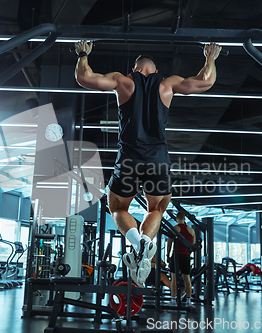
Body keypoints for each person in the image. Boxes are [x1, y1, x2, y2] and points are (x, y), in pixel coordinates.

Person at [74, 40, 221, 287]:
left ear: (134, 70)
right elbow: (206, 81)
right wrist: (210, 56)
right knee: (157, 209)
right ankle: (145, 242)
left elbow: (84, 78)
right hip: (158, 159)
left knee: (118, 208)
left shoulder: (123, 81)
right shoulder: (167, 84)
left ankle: (139, 242)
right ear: (155, 71)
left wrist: (82, 53)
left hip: (129, 157)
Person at [166, 211, 196, 305]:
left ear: (176, 218)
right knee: (187, 278)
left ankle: (173, 300)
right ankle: (188, 300)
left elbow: (169, 243)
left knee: (174, 278)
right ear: (185, 218)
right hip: (186, 256)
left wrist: (167, 255)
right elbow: (193, 245)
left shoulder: (175, 228)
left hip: (177, 256)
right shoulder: (191, 230)